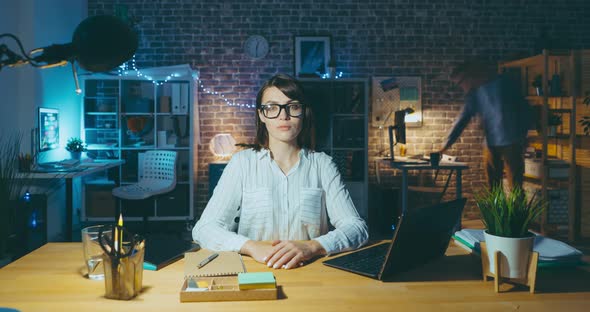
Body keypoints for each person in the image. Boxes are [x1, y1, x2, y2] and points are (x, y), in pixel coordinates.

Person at [193, 74, 368, 270]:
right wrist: (251, 247)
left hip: (311, 274)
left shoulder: (323, 165)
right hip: (255, 272)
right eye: (272, 107)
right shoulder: (242, 164)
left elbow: (356, 228)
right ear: (261, 115)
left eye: (292, 107)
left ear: (303, 112)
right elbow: (204, 229)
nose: (283, 116)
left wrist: (312, 246)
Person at [441, 60, 531, 189]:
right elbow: (462, 119)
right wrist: (446, 144)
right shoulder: (475, 95)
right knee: (493, 187)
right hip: (490, 145)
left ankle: (516, 210)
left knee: (515, 187)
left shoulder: (505, 83)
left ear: (470, 77)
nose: (462, 87)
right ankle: (494, 210)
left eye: (461, 83)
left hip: (512, 141)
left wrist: (522, 135)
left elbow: (524, 109)